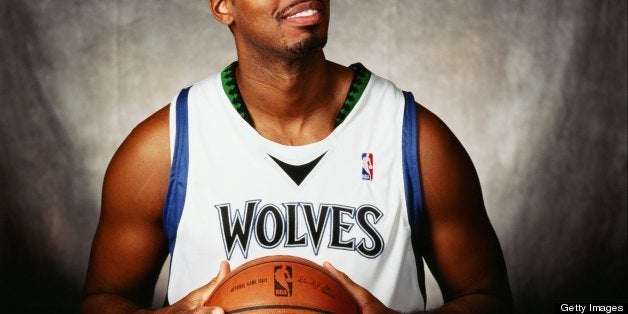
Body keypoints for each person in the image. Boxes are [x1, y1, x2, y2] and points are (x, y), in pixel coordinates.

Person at [82, 0, 513, 313]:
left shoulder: (414, 137)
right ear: (222, 6)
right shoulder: (164, 146)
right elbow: (102, 301)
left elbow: (489, 299)